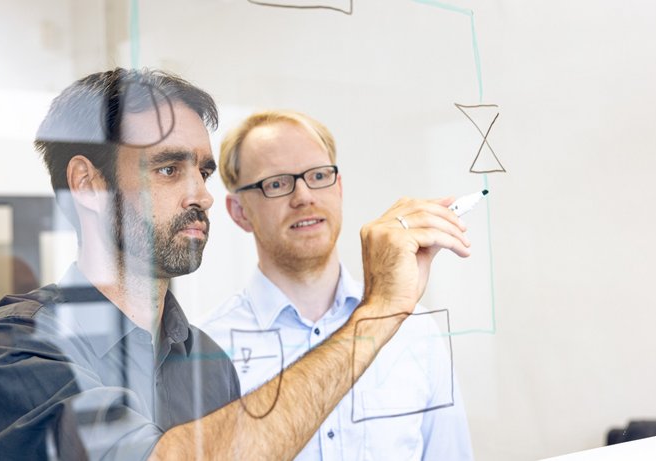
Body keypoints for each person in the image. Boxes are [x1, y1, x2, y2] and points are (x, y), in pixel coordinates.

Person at [0, 68, 472, 460]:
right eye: (167, 168)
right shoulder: (11, 352)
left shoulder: (204, 359)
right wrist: (379, 309)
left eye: (202, 171)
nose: (201, 195)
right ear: (88, 185)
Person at [199, 110, 474, 460]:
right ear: (239, 212)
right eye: (277, 183)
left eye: (318, 175)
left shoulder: (415, 331)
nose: (304, 196)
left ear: (339, 188)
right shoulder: (207, 352)